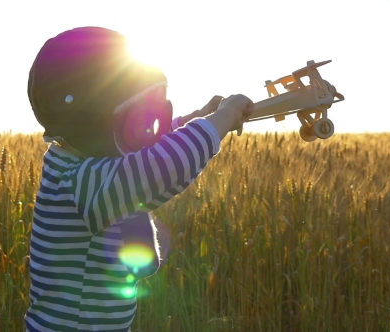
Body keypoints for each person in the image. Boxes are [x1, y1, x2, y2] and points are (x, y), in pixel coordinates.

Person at [25, 26, 254, 332]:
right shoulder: (77, 179)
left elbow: (144, 142)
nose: (152, 124)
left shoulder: (90, 158)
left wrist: (195, 119)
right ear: (95, 117)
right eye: (140, 112)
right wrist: (219, 122)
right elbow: (157, 167)